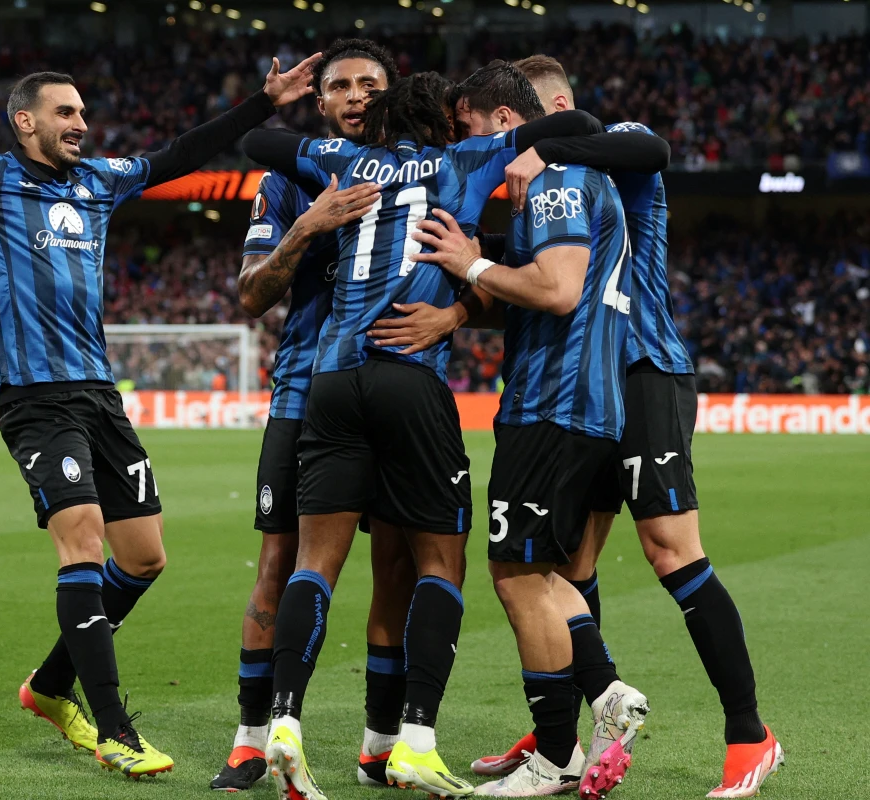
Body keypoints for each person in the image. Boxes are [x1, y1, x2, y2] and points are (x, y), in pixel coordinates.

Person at [0, 11, 318, 779]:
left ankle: (51, 686)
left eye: (84, 113)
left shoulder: (99, 181)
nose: (82, 124)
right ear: (25, 121)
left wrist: (264, 104)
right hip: (35, 397)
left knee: (145, 557)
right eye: (66, 113)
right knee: (82, 541)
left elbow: (180, 154)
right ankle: (116, 728)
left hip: (98, 393)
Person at [243, 70, 608, 800]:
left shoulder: (340, 161)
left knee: (314, 562)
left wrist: (295, 132)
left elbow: (256, 141)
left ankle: (282, 723)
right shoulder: (461, 160)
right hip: (411, 375)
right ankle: (414, 740)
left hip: (331, 379)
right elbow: (577, 128)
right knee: (440, 563)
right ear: (442, 122)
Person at [468, 55, 782, 800]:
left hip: (646, 372)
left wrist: (550, 146)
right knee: (568, 567)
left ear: (559, 106)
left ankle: (750, 735)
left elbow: (655, 152)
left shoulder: (612, 144)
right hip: (588, 386)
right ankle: (570, 736)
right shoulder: (548, 188)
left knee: (671, 549)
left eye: (530, 121)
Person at [407, 60, 649, 798]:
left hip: (554, 406)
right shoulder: (578, 182)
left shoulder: (553, 179)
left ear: (506, 123)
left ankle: (555, 754)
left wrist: (469, 261)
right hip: (587, 406)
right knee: (542, 574)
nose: (466, 146)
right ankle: (607, 694)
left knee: (515, 576)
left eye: (470, 129)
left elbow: (557, 288)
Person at [214, 39, 422, 793]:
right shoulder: (284, 183)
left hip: (396, 392)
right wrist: (311, 226)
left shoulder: (422, 170)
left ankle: (379, 745)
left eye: (372, 83)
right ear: (321, 102)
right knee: (279, 565)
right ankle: (249, 738)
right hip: (304, 394)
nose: (357, 95)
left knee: (394, 568)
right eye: (341, 86)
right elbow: (249, 296)